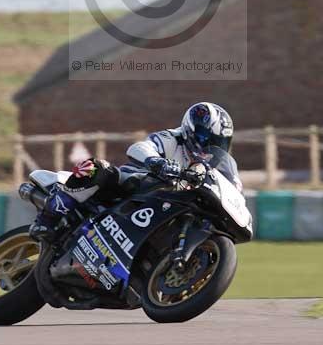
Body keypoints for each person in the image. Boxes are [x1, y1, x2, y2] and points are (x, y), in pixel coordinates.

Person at [29, 102, 240, 241]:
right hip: (136, 186)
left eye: (218, 142)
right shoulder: (173, 139)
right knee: (96, 167)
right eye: (206, 137)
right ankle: (48, 218)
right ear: (191, 130)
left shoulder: (219, 165)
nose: (210, 145)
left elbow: (234, 189)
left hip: (169, 206)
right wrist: (157, 162)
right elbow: (139, 148)